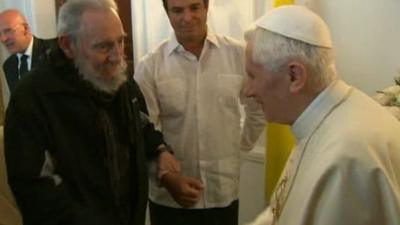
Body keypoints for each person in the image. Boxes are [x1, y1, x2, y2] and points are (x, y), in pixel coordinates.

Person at [4, 0, 201, 224]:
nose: (118, 56)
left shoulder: (120, 81)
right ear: (68, 45)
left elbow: (140, 125)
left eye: (120, 41)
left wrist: (160, 152)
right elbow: (34, 188)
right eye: (104, 46)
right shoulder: (32, 98)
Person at [244, 5, 400, 225]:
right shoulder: (322, 120)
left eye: (252, 76)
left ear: (294, 75)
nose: (248, 90)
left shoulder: (346, 158)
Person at [134, 0, 265, 224]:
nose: (187, 17)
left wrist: (236, 150)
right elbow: (144, 130)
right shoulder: (150, 66)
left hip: (222, 194)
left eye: (194, 7)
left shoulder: (238, 55)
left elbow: (258, 109)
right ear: (167, 13)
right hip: (170, 199)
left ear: (206, 7)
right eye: (177, 10)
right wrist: (166, 176)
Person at [0, 9, 56, 92]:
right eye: (0, 34)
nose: (3, 39)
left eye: (8, 31)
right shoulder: (8, 66)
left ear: (25, 29)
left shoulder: (53, 50)